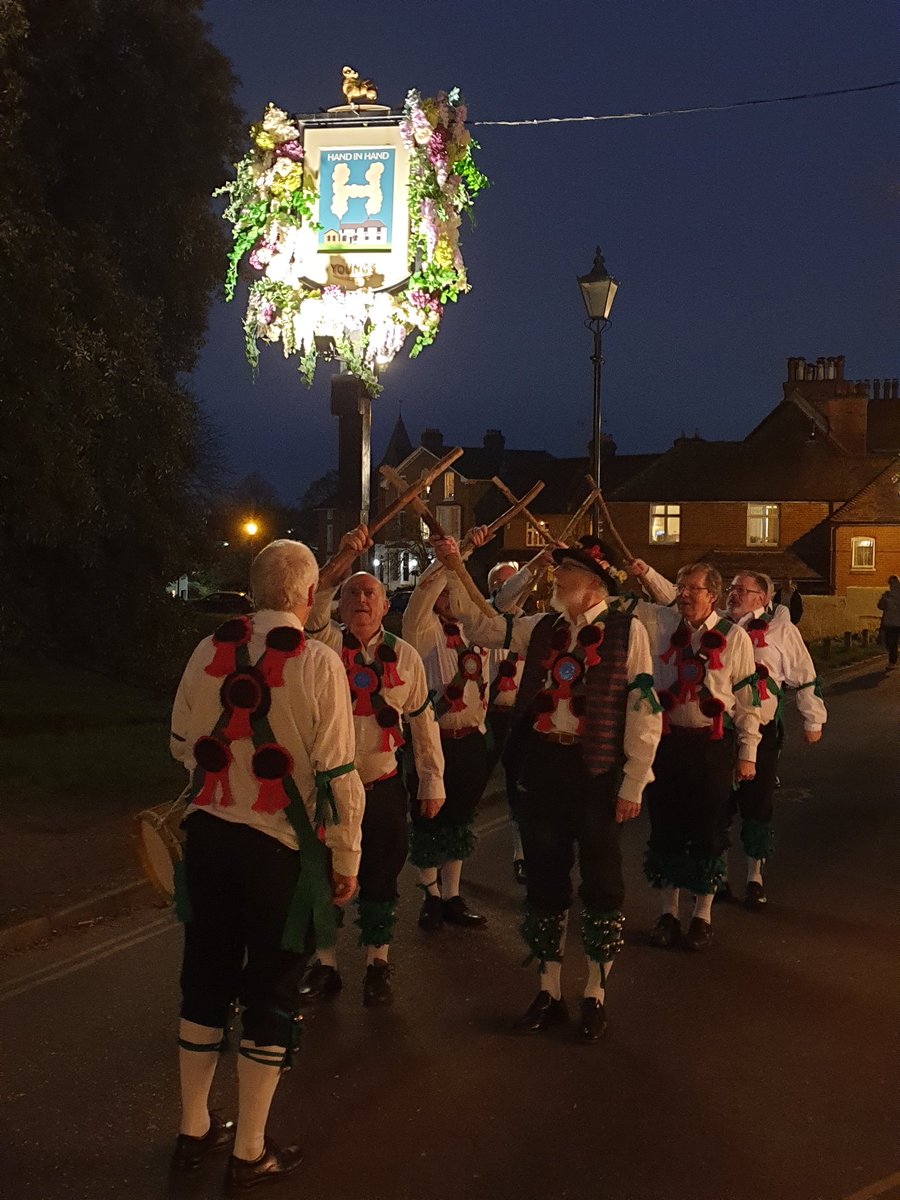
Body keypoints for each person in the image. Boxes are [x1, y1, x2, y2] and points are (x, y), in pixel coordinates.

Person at [169, 539, 364, 1190]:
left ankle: (193, 1131)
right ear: (309, 596)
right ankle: (249, 1150)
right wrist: (346, 854)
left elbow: (179, 746)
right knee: (273, 994)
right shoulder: (319, 663)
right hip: (281, 852)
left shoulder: (207, 651)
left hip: (209, 844)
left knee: (203, 981)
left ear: (254, 591)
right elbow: (340, 774)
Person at [433, 530, 662, 1042]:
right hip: (542, 767)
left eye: (568, 573)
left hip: (596, 773)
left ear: (595, 585)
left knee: (601, 883)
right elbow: (484, 624)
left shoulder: (629, 631)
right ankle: (549, 990)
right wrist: (455, 566)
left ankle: (595, 995)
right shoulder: (541, 627)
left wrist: (633, 783)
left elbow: (644, 711)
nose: (558, 578)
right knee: (543, 879)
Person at [298, 526, 445, 1006]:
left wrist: (432, 779)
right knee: (323, 879)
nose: (360, 598)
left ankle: (377, 963)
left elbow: (422, 721)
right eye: (352, 593)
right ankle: (326, 966)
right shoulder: (320, 648)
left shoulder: (404, 656)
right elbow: (315, 594)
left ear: (386, 608)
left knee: (380, 878)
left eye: (371, 593)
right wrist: (343, 555)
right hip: (328, 791)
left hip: (382, 788)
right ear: (341, 607)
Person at [629, 560, 761, 951]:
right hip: (668, 744)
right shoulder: (664, 625)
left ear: (713, 595)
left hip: (712, 745)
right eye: (681, 587)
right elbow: (647, 596)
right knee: (666, 825)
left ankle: (702, 913)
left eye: (692, 589)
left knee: (709, 827)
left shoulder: (734, 638)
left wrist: (747, 752)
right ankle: (667, 911)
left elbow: (746, 699)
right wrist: (641, 571)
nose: (683, 594)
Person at [724, 571, 825, 907]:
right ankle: (716, 874)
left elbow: (804, 674)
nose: (734, 594)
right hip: (718, 731)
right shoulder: (715, 627)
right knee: (717, 803)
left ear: (762, 599)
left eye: (743, 589)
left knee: (757, 802)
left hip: (763, 729)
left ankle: (754, 875)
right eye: (732, 588)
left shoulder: (781, 630)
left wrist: (813, 718)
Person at [401, 554, 491, 932]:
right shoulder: (421, 630)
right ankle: (430, 896)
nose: (452, 599)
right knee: (427, 817)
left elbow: (509, 603)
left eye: (457, 593)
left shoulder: (481, 632)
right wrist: (451, 559)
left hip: (471, 740)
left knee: (459, 819)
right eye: (446, 593)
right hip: (430, 740)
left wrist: (462, 568)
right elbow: (421, 598)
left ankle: (452, 895)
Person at [485, 560, 530, 884]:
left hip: (521, 717)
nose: (510, 589)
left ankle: (521, 854)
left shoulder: (536, 628)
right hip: (488, 717)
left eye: (515, 582)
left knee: (520, 787)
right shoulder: (481, 626)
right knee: (470, 787)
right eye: (502, 584)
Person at [876, 575, 900, 669]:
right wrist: (883, 600)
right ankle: (893, 659)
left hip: (897, 622)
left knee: (893, 642)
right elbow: (880, 606)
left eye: (894, 583)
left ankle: (892, 661)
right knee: (890, 642)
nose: (892, 585)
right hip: (889, 622)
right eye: (891, 583)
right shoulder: (887, 594)